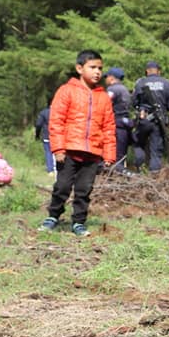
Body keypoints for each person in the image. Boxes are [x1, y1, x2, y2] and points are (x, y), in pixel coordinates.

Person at [38, 49, 116, 237]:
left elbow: (108, 127)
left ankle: (79, 222)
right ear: (79, 68)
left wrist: (109, 154)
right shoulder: (66, 91)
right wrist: (58, 148)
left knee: (84, 190)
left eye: (100, 68)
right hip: (69, 150)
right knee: (62, 186)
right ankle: (53, 215)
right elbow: (56, 121)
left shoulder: (103, 97)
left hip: (92, 153)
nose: (97, 72)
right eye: (92, 67)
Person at [130, 61, 169, 172]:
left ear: (147, 71)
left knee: (137, 143)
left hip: (143, 119)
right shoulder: (168, 84)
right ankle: (154, 175)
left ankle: (139, 167)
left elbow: (133, 102)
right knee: (156, 150)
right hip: (159, 122)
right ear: (159, 71)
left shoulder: (140, 83)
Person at [103, 67, 132, 169]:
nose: (105, 80)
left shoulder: (112, 89)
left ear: (111, 78)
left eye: (106, 77)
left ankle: (113, 177)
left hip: (116, 125)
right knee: (121, 155)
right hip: (125, 124)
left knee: (114, 155)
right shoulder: (125, 89)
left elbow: (104, 104)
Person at [35, 105, 54, 175]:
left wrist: (37, 135)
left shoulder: (44, 113)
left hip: (47, 135)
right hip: (58, 136)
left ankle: (50, 170)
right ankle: (58, 169)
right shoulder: (60, 112)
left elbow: (38, 124)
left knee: (48, 152)